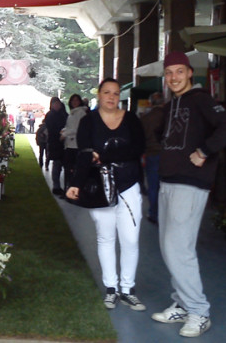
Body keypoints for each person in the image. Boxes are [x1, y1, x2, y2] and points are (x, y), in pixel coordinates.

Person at [151, 52, 226, 338]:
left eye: (179, 72)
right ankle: (183, 304)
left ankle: (199, 311)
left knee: (179, 249)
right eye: (169, 73)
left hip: (190, 183)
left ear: (190, 73)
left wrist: (205, 152)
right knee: (168, 248)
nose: (174, 77)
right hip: (168, 181)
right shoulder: (173, 103)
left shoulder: (200, 99)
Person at [66, 78, 146, 312]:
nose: (111, 97)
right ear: (99, 95)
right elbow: (85, 153)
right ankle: (111, 288)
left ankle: (128, 288)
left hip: (129, 185)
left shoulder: (131, 119)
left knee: (130, 239)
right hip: (100, 187)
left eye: (115, 92)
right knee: (105, 237)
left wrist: (105, 155)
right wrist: (76, 183)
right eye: (107, 92)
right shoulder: (88, 121)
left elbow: (137, 148)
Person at [140, 92, 164, 224]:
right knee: (166, 187)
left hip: (151, 154)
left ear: (150, 102)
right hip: (168, 155)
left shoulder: (145, 118)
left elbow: (140, 138)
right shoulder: (169, 116)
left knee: (153, 186)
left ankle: (154, 213)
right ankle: (166, 214)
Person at [61, 94, 88, 189]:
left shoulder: (80, 113)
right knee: (68, 169)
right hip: (70, 144)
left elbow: (77, 129)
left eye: (76, 100)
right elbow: (70, 127)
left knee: (73, 169)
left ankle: (73, 190)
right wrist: (64, 131)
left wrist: (64, 134)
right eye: (73, 100)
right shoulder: (73, 113)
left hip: (75, 145)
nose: (74, 102)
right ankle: (67, 189)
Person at [44, 97, 68, 196]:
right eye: (55, 104)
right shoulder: (50, 115)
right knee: (57, 164)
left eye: (58, 103)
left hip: (63, 142)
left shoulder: (63, 114)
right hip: (55, 142)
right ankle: (56, 186)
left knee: (63, 165)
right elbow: (51, 128)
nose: (57, 105)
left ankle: (62, 186)